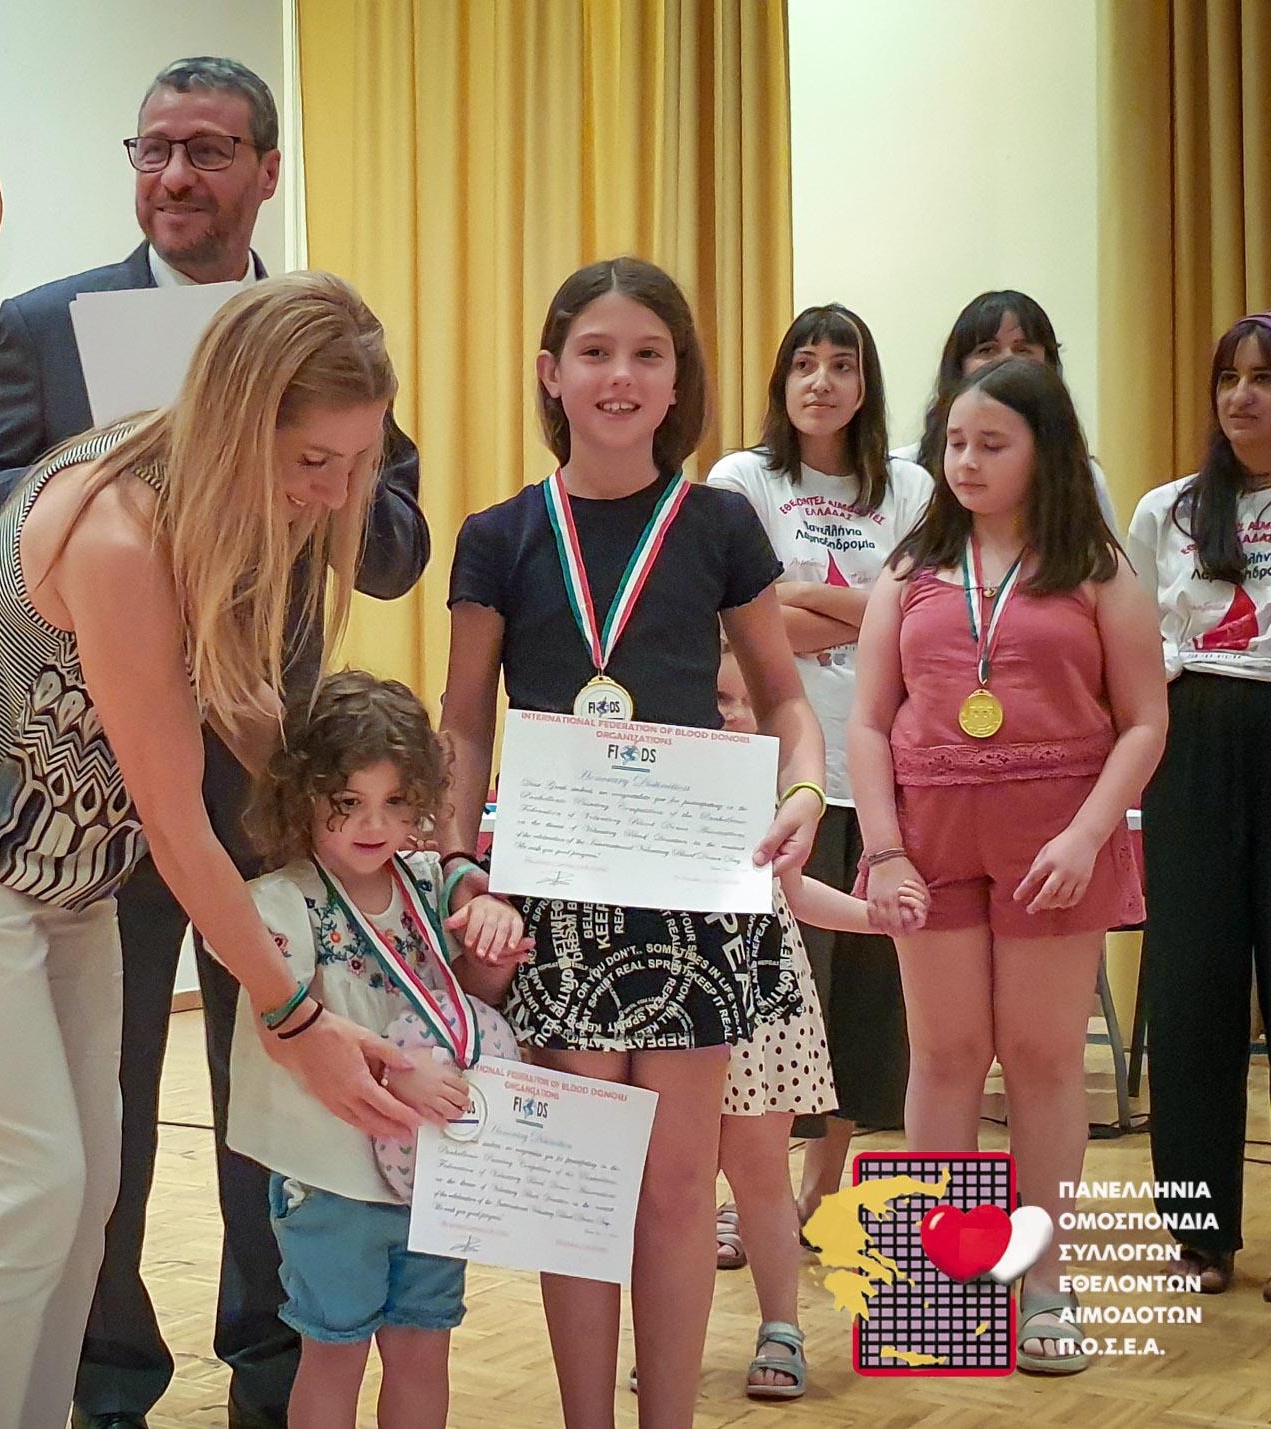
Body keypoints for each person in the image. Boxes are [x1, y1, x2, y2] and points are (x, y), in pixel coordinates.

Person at [0, 274, 426, 1429]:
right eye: (312, 460)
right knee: (20, 1195)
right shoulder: (118, 526)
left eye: (357, 462)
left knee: (82, 1191)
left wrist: (370, 832)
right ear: (240, 418)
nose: (335, 493)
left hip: (65, 881)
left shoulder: (223, 510)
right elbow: (176, 815)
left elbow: (243, 719)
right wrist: (294, 1016)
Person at [0, 56, 427, 1429]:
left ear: (267, 170)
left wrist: (309, 483)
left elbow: (396, 548)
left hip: (268, 779)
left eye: (207, 151)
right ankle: (107, 1381)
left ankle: (272, 1369)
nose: (175, 177)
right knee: (108, 1111)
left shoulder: (321, 336)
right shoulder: (48, 325)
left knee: (278, 1087)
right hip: (90, 785)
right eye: (152, 149)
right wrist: (117, 476)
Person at [441, 256, 824, 1429]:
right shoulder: (498, 534)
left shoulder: (718, 524)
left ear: (676, 378)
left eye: (646, 354)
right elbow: (462, 721)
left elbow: (784, 695)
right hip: (550, 896)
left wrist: (803, 789)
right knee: (577, 1190)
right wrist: (459, 865)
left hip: (691, 893)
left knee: (673, 1187)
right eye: (595, 352)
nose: (620, 375)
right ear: (549, 373)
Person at [849, 356, 1167, 1373]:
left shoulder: (1097, 567)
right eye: (953, 443)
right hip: (929, 841)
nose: (966, 462)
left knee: (1040, 1060)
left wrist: (1087, 834)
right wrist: (884, 851)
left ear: (1045, 451)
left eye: (992, 444)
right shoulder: (909, 568)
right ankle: (943, 1286)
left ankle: (1042, 1283)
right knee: (944, 1057)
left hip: (1054, 845)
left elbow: (1144, 721)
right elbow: (867, 722)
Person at [226, 671, 528, 1429]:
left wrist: (493, 949)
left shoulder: (431, 886)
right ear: (304, 796)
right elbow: (283, 1031)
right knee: (335, 1353)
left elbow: (469, 1001)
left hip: (435, 1172)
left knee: (424, 1349)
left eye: (396, 801)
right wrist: (399, 1080)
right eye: (348, 801)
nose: (374, 823)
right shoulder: (280, 901)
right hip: (334, 1180)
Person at [706, 304, 932, 1251]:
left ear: (866, 384)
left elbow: (918, 620)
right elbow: (739, 622)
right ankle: (741, 1191)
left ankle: (821, 1188)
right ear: (781, 379)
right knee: (761, 995)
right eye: (804, 362)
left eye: (843, 364)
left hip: (877, 770)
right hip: (769, 771)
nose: (822, 381)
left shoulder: (911, 487)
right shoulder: (743, 479)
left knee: (860, 999)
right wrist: (863, 608)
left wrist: (798, 600)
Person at [1126, 312, 1271, 1297]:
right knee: (1189, 989)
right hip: (1191, 745)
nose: (1240, 396)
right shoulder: (1167, 510)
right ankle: (1197, 1230)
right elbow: (1133, 639)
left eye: (1261, 378)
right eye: (1227, 378)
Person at [898, 290, 1119, 533]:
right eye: (987, 350)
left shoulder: (1082, 475)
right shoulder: (907, 472)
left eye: (1022, 350)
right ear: (958, 366)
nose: (1006, 361)